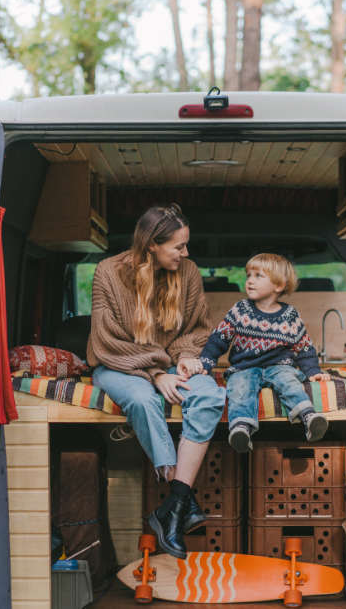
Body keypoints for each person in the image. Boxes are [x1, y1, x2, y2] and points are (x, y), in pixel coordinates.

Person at [87, 204, 226, 560]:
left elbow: (197, 327)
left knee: (210, 396)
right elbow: (107, 340)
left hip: (171, 363)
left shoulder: (189, 272)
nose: (186, 253)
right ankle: (180, 505)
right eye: (179, 246)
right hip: (118, 364)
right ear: (151, 244)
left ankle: (175, 504)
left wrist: (183, 360)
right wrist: (156, 374)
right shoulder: (108, 272)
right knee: (144, 400)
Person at [199, 253, 331, 453]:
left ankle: (308, 416)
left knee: (290, 382)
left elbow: (304, 347)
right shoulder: (240, 310)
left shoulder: (290, 315)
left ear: (278, 285)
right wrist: (205, 364)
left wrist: (312, 370)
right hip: (244, 367)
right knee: (239, 387)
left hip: (280, 367)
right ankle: (241, 428)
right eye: (248, 275)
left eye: (258, 276)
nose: (250, 280)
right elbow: (218, 340)